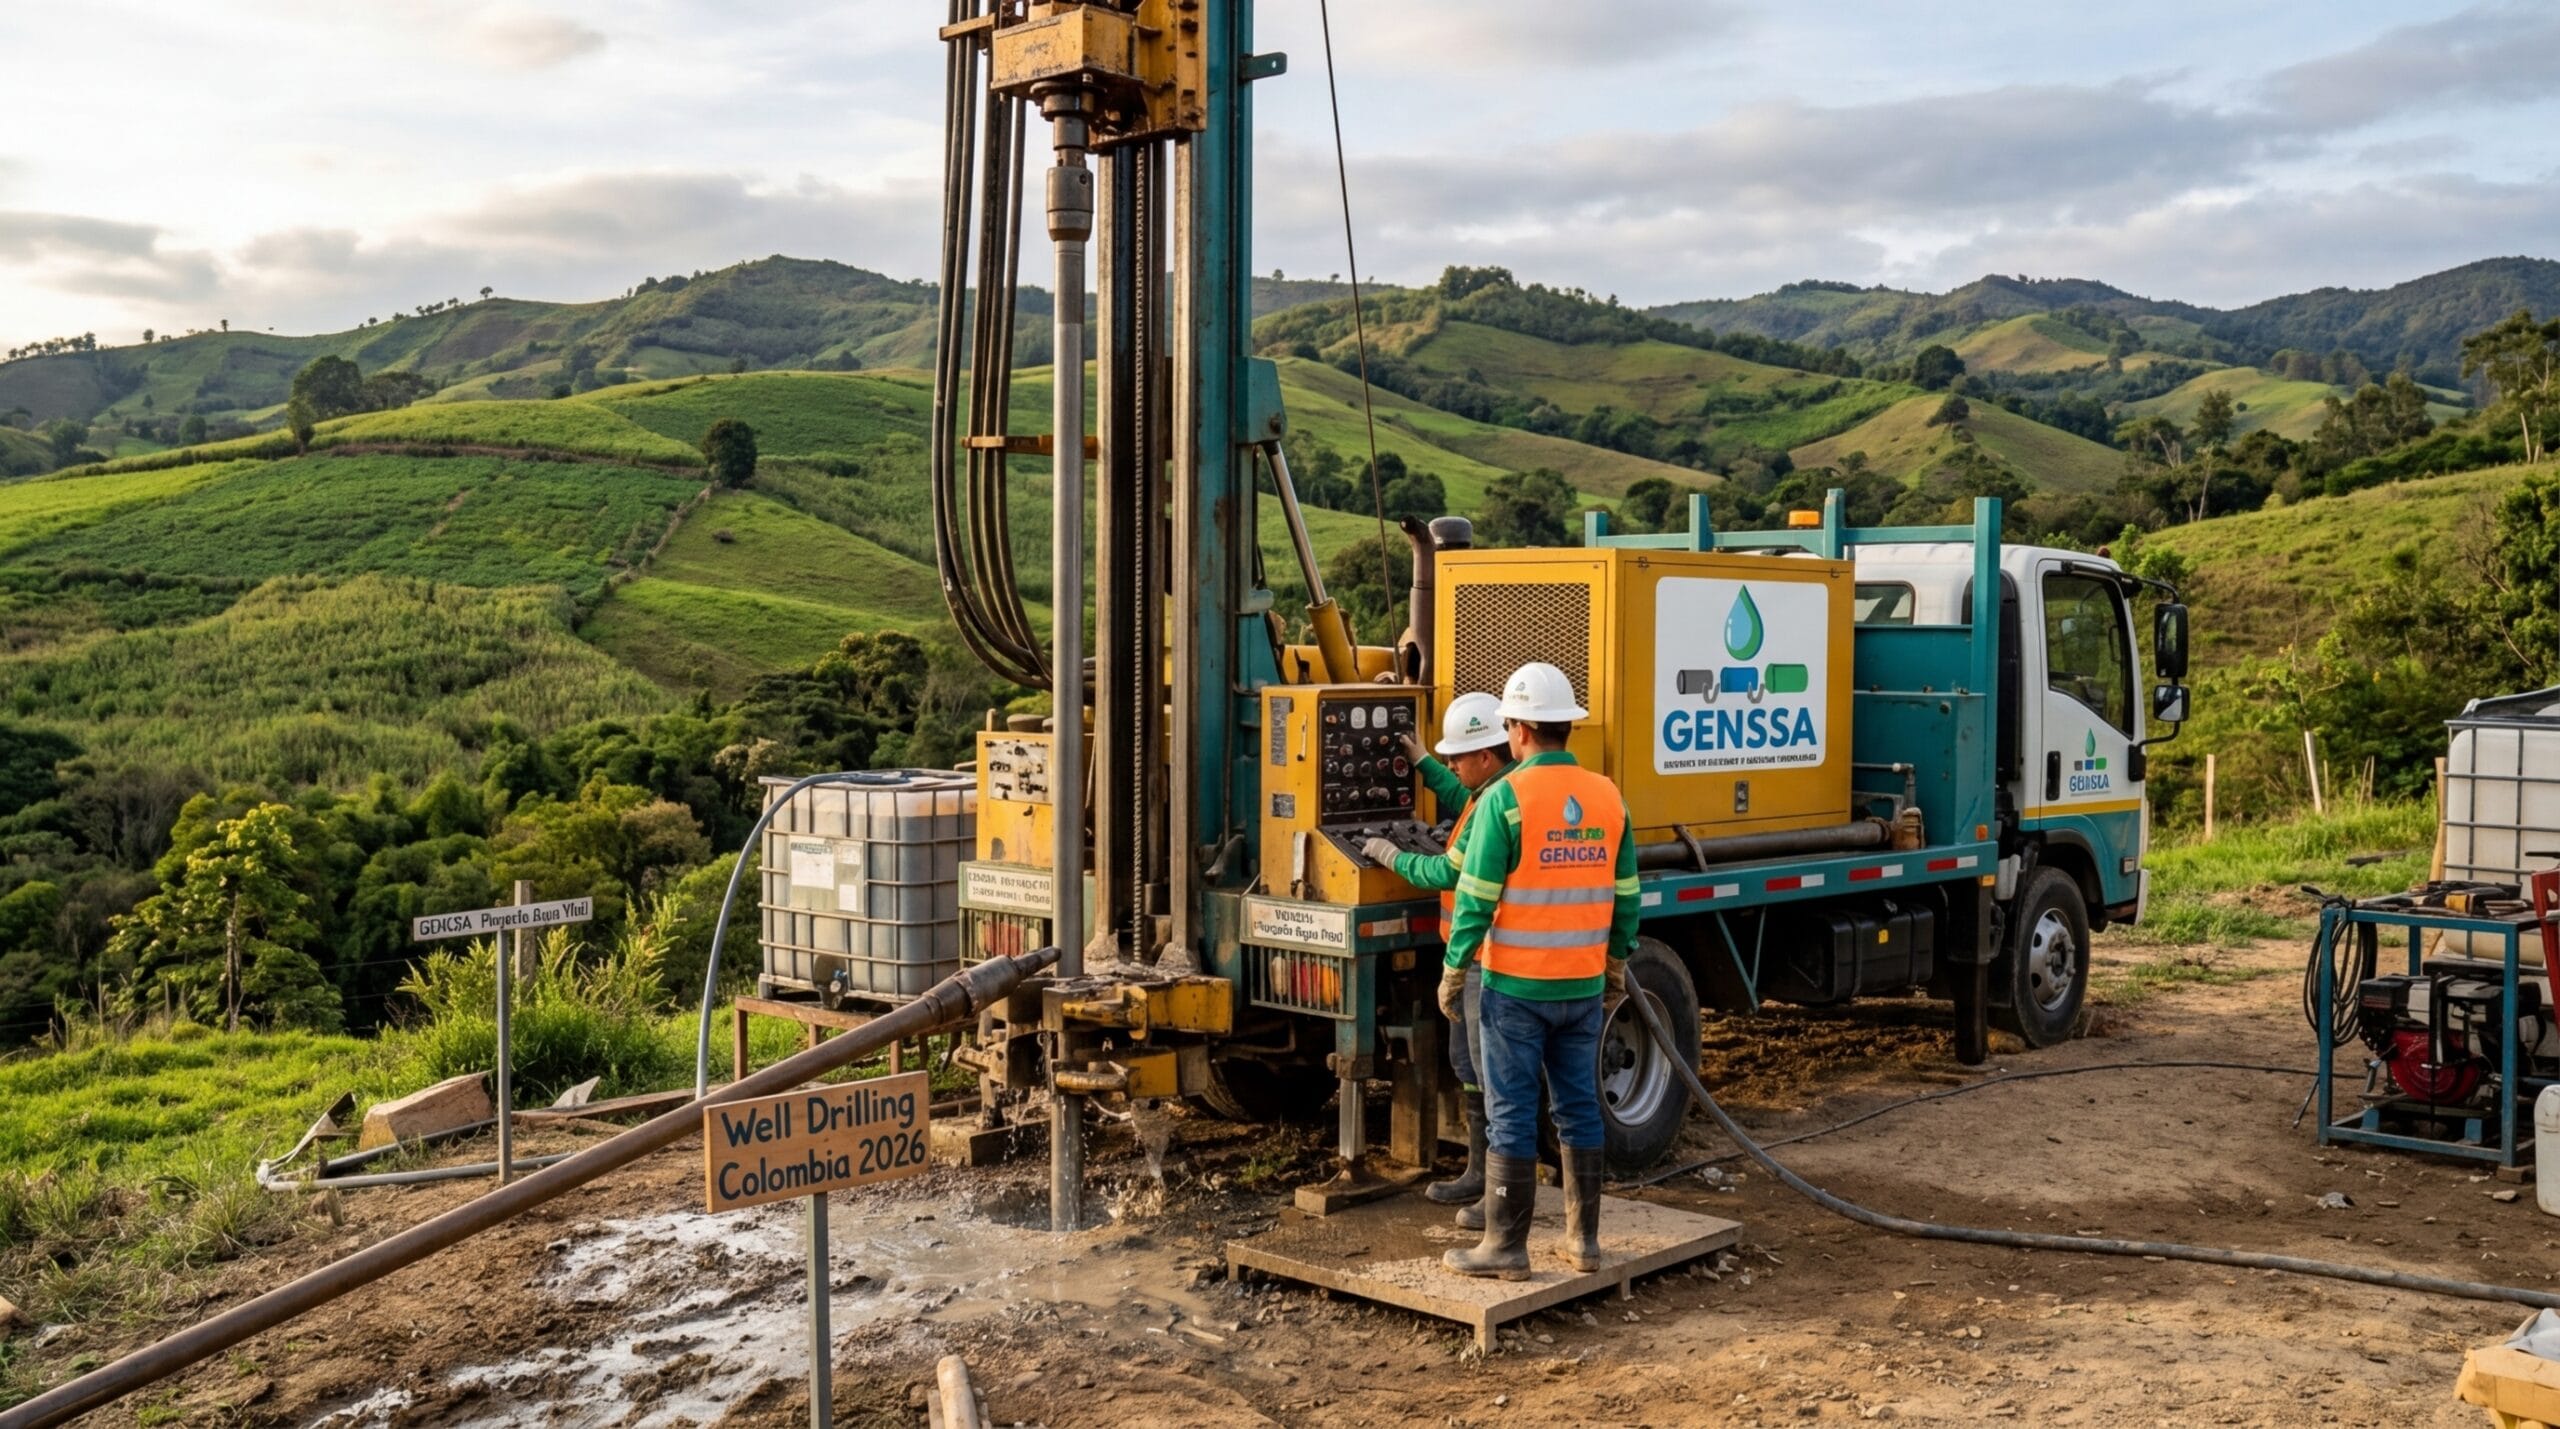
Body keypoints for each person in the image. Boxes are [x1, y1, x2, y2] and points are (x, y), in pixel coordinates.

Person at [1436, 661, 1637, 1280]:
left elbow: (1474, 897)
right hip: (1581, 989)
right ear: (1565, 728)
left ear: (1519, 729)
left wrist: (1453, 969)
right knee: (1578, 1107)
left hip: (1515, 992)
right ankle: (1584, 1243)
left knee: (1512, 1114)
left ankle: (1506, 1246)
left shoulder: (1504, 800)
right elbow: (1626, 894)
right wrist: (1617, 963)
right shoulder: (1607, 795)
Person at [1359, 691, 1512, 1223]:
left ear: (1487, 757)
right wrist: (1422, 762)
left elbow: (1446, 871)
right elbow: (1458, 794)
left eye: (1457, 757)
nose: (1450, 765)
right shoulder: (1488, 790)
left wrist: (1391, 854)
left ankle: (1499, 1194)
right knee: (1467, 1063)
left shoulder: (1496, 803)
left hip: (1482, 958)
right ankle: (1477, 1173)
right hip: (1467, 958)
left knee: (1491, 1072)